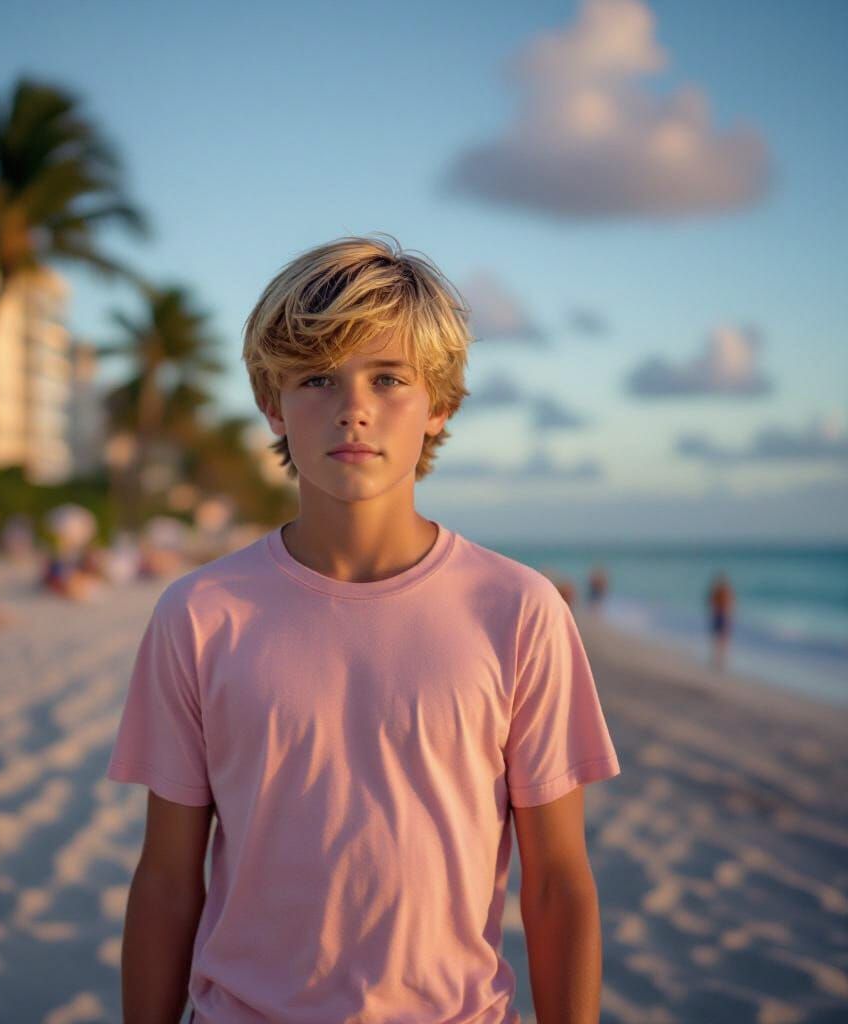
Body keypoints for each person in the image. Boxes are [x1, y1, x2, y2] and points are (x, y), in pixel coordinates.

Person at [105, 235, 622, 1024]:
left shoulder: (518, 611)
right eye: (317, 378)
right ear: (272, 403)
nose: (354, 406)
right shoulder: (200, 615)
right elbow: (169, 878)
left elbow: (556, 883)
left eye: (389, 379)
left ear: (440, 402)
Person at [707, 571, 735, 671]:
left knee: (721, 638)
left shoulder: (724, 591)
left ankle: (720, 659)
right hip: (720, 615)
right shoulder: (720, 591)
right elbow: (712, 601)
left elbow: (730, 603)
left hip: (722, 615)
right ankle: (719, 659)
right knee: (720, 637)